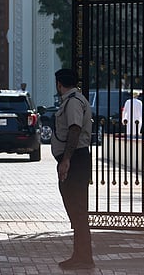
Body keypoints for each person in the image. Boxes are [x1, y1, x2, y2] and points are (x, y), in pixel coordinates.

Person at [51, 68, 95, 270]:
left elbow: (74, 129)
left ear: (59, 84)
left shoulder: (73, 102)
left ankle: (84, 257)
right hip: (76, 159)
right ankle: (80, 255)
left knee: (77, 209)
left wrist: (66, 159)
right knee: (76, 210)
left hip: (75, 160)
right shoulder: (76, 100)